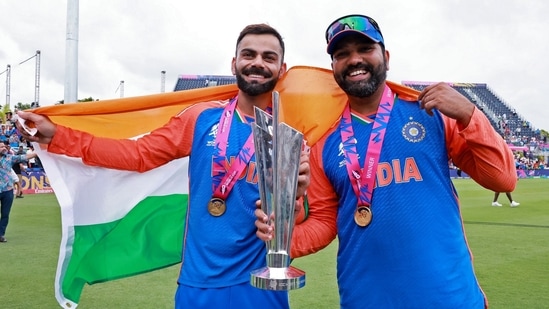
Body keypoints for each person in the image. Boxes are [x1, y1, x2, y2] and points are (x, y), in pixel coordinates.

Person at [16, 23, 310, 309]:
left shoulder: (290, 135)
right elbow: (139, 154)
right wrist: (60, 135)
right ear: (234, 63)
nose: (257, 63)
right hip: (199, 284)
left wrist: (295, 208)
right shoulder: (201, 118)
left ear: (281, 69)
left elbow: (303, 213)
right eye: (249, 54)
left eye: (268, 57)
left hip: (262, 283)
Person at [256, 14, 516, 308]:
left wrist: (471, 114)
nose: (354, 59)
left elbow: (502, 179)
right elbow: (325, 222)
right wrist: (282, 237)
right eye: (342, 54)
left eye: (365, 49)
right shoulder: (323, 142)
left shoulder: (431, 114)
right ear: (334, 68)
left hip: (450, 298)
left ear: (386, 57)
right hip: (365, 299)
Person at [1, 142, 37, 242]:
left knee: (5, 214)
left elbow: (24, 157)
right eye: (1, 147)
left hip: (7, 190)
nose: (4, 148)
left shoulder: (9, 158)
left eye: (4, 146)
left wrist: (38, 152)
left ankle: (1, 234)